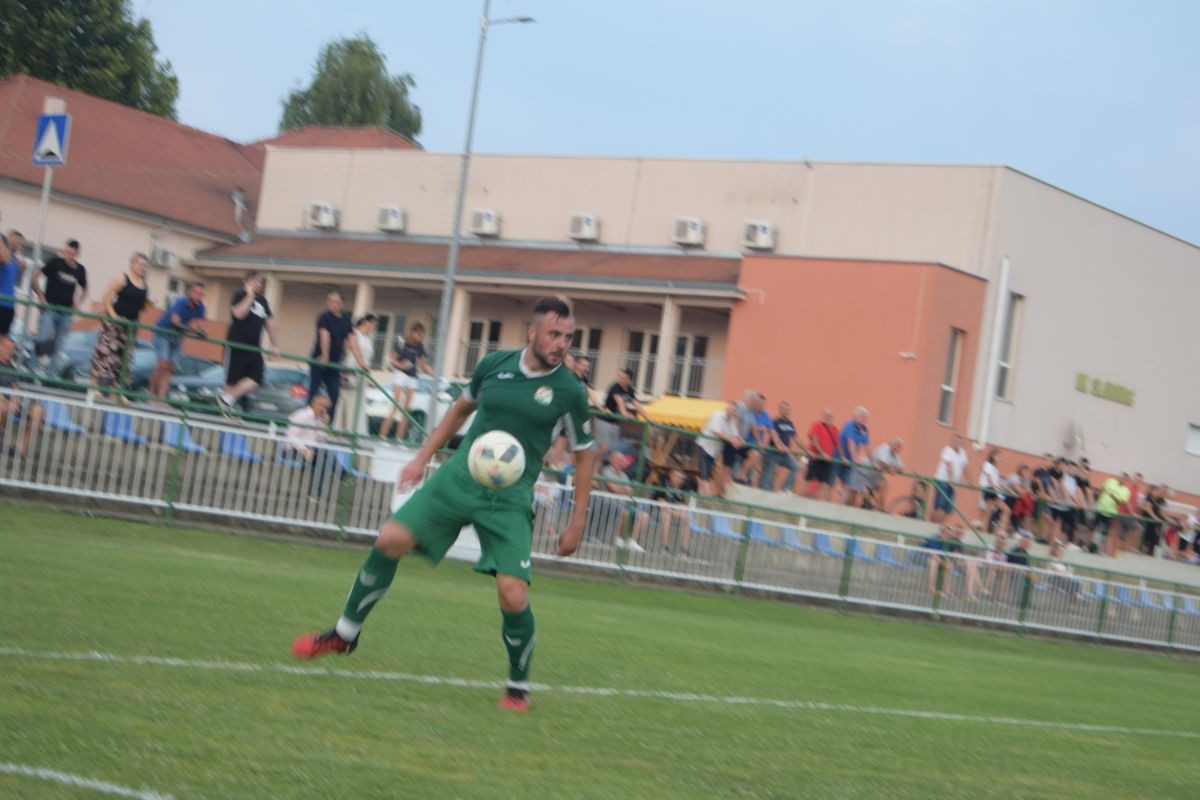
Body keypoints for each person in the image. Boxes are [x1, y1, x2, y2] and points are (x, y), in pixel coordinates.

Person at [292, 296, 597, 713]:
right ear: (532, 332)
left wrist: (578, 521)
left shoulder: (569, 391)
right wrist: (421, 458)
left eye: (568, 337)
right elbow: (459, 411)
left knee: (513, 595)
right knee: (390, 538)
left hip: (510, 496)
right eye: (554, 334)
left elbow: (584, 456)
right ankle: (344, 634)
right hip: (459, 477)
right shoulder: (494, 365)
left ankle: (517, 688)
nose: (562, 343)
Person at [89, 252, 152, 402]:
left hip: (131, 326)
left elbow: (141, 306)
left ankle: (116, 391)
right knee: (105, 353)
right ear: (132, 264)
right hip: (114, 323)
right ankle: (93, 387)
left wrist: (149, 304)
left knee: (124, 359)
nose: (142, 267)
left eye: (144, 265)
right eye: (140, 264)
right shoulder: (122, 279)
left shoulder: (144, 285)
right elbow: (106, 297)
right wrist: (114, 317)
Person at [218, 271, 280, 413]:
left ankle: (226, 399)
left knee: (257, 378)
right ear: (246, 282)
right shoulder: (239, 295)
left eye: (259, 281)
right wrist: (250, 295)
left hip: (253, 347)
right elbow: (238, 314)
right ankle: (226, 409)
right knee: (232, 380)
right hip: (237, 345)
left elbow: (270, 324)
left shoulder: (263, 301)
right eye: (254, 280)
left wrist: (275, 345)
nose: (257, 283)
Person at [308, 290, 367, 420]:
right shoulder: (324, 317)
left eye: (336, 302)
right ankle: (309, 420)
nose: (332, 304)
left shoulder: (346, 319)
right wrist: (325, 354)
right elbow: (324, 335)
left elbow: (352, 340)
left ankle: (328, 422)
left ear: (341, 304)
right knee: (314, 392)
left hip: (334, 364)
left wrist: (361, 362)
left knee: (334, 394)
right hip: (319, 361)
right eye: (330, 301)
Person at [33, 239, 87, 374]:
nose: (69, 255)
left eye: (72, 253)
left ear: (77, 254)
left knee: (59, 344)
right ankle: (31, 370)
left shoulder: (80, 269)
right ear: (64, 251)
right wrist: (41, 297)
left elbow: (85, 288)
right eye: (67, 252)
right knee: (42, 338)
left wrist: (78, 302)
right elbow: (35, 278)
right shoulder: (55, 262)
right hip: (50, 308)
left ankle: (50, 375)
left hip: (66, 312)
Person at [149, 282, 207, 398]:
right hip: (163, 332)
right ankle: (150, 395)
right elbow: (175, 322)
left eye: (201, 294)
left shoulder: (201, 307)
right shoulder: (180, 302)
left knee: (170, 368)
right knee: (162, 365)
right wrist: (194, 330)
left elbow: (197, 325)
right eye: (196, 293)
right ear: (190, 293)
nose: (198, 296)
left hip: (178, 336)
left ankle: (161, 398)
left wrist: (201, 332)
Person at [378, 322, 432, 442]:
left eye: (421, 335)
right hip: (401, 374)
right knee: (396, 404)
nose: (419, 337)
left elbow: (424, 364)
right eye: (418, 334)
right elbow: (391, 359)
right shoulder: (402, 342)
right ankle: (382, 436)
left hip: (412, 376)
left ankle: (399, 438)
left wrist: (432, 372)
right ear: (412, 332)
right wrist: (400, 365)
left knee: (407, 409)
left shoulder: (420, 346)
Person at [285, 393, 339, 501]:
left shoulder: (319, 419)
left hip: (313, 450)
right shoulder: (302, 415)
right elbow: (291, 436)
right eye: (322, 406)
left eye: (326, 407)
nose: (324, 409)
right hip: (294, 450)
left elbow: (321, 439)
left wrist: (324, 425)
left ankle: (315, 494)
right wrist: (304, 450)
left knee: (322, 460)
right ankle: (344, 476)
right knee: (323, 452)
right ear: (314, 403)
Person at [595, 450, 650, 552]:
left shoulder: (623, 475)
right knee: (626, 512)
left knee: (644, 516)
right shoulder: (606, 471)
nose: (619, 462)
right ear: (611, 460)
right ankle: (619, 539)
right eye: (617, 460)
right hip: (609, 503)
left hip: (623, 503)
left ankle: (630, 540)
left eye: (621, 460)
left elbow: (631, 492)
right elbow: (614, 489)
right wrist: (624, 489)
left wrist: (623, 490)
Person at [0, 335, 45, 458]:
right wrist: (6, 402)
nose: (11, 352)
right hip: (2, 402)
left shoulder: (11, 367)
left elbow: (15, 387)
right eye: (8, 348)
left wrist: (16, 400)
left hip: (12, 403)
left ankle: (20, 450)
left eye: (13, 349)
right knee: (3, 407)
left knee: (39, 412)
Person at [696, 399, 743, 497]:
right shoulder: (717, 415)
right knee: (705, 476)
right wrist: (732, 440)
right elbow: (716, 432)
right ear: (727, 408)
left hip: (714, 451)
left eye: (734, 411)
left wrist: (737, 440)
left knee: (706, 476)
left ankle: (703, 497)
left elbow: (735, 435)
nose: (733, 412)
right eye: (732, 409)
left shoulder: (732, 421)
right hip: (705, 446)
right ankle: (707, 497)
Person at [759, 400, 803, 492]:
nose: (787, 412)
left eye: (788, 410)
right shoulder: (775, 422)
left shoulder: (790, 423)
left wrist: (806, 450)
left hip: (784, 455)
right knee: (768, 476)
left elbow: (796, 437)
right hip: (773, 452)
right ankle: (763, 492)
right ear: (780, 410)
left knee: (796, 467)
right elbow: (774, 436)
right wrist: (781, 446)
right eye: (785, 409)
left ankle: (784, 489)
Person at [802, 408, 840, 500]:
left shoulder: (834, 428)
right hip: (815, 458)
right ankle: (802, 501)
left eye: (830, 416)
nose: (828, 418)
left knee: (823, 484)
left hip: (827, 460)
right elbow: (815, 442)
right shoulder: (816, 425)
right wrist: (823, 454)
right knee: (808, 482)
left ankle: (816, 504)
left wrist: (842, 456)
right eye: (826, 415)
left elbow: (837, 444)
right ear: (822, 416)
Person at [654, 466, 693, 555]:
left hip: (674, 512)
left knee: (685, 516)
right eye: (677, 477)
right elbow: (661, 503)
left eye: (682, 479)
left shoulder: (684, 486)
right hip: (655, 512)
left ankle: (684, 550)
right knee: (666, 515)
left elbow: (683, 505)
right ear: (671, 475)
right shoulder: (662, 482)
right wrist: (674, 512)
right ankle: (665, 547)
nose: (680, 480)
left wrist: (676, 512)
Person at [931, 432, 969, 522]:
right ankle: (932, 525)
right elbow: (949, 466)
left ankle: (940, 526)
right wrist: (952, 480)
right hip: (942, 480)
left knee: (948, 509)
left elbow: (965, 468)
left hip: (952, 484)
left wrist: (970, 482)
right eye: (954, 441)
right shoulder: (947, 450)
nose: (956, 443)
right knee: (940, 506)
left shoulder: (963, 453)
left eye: (958, 441)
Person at [837, 406, 870, 505]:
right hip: (839, 457)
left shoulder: (864, 429)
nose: (864, 419)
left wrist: (873, 462)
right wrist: (855, 458)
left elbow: (867, 446)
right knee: (831, 483)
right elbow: (851, 443)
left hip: (850, 461)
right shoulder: (850, 425)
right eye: (862, 416)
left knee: (847, 485)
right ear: (855, 416)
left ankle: (839, 508)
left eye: (865, 417)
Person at [0, 230, 26, 337]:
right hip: (1, 302)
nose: (21, 246)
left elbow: (18, 282)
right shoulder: (3, 256)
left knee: (4, 338)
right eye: (19, 243)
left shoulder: (15, 259)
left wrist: (23, 269)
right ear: (11, 240)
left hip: (9, 305)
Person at [979, 448, 1009, 533]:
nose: (1000, 458)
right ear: (993, 456)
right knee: (990, 512)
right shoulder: (987, 465)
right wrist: (995, 489)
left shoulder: (995, 469)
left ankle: (1000, 531)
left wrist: (1009, 490)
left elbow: (999, 482)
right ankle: (985, 531)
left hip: (993, 491)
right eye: (998, 456)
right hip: (989, 490)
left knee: (995, 511)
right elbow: (990, 479)